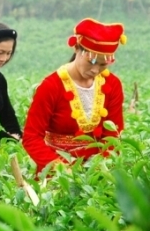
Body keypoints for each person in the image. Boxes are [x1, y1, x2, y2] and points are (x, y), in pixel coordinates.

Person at [23, 18, 125, 175]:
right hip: (56, 169)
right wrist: (61, 169)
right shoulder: (51, 86)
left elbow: (113, 134)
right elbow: (31, 137)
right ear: (77, 48)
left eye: (102, 64)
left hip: (98, 169)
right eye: (91, 61)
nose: (95, 69)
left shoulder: (112, 84)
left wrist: (98, 166)